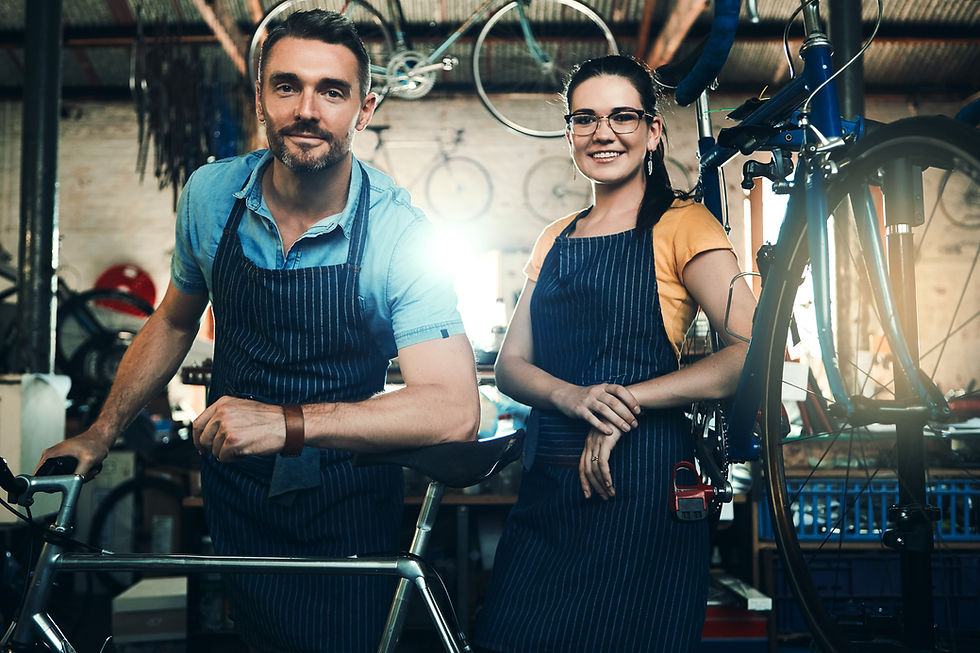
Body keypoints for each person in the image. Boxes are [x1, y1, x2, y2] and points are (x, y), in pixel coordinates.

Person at [38, 10, 479, 653]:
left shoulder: (400, 234)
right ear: (260, 99)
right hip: (236, 487)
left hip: (347, 495)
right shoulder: (211, 195)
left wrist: (287, 422)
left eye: (332, 91)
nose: (307, 110)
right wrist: (100, 432)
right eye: (287, 86)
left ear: (365, 110)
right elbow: (174, 320)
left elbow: (454, 409)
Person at [473, 55, 756, 653]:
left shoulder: (685, 225)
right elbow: (511, 366)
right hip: (550, 481)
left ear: (653, 131)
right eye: (586, 118)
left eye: (622, 117)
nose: (603, 133)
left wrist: (624, 401)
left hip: (643, 482)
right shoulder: (555, 237)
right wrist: (574, 398)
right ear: (570, 132)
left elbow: (748, 353)